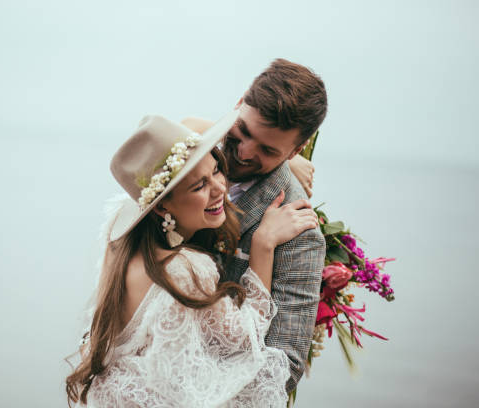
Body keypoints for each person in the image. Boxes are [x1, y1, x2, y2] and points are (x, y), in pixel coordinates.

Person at [65, 112, 318, 407]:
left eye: (216, 170)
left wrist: (286, 159)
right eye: (199, 186)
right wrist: (264, 244)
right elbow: (245, 337)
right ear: (161, 208)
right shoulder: (185, 269)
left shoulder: (119, 237)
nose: (220, 188)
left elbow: (190, 126)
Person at [181, 58, 328, 393]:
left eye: (268, 150)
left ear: (296, 150)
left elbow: (285, 368)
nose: (243, 153)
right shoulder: (190, 151)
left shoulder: (301, 238)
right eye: (243, 131)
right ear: (239, 103)